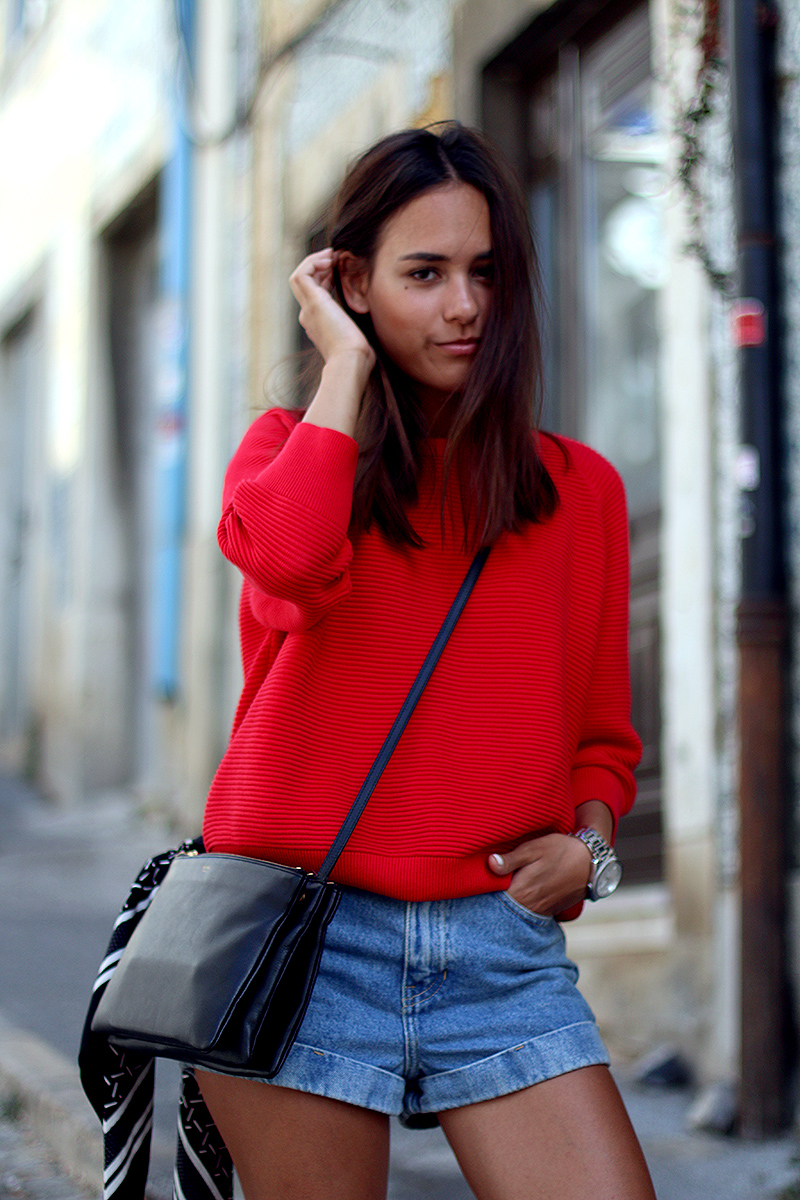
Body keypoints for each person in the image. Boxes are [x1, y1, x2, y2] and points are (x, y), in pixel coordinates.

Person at [195, 123, 657, 1200]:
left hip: (498, 953)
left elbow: (601, 734)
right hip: (302, 945)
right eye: (423, 274)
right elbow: (297, 565)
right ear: (349, 281)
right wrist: (344, 366)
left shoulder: (576, 491)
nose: (463, 306)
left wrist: (586, 852)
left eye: (484, 272)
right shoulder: (283, 454)